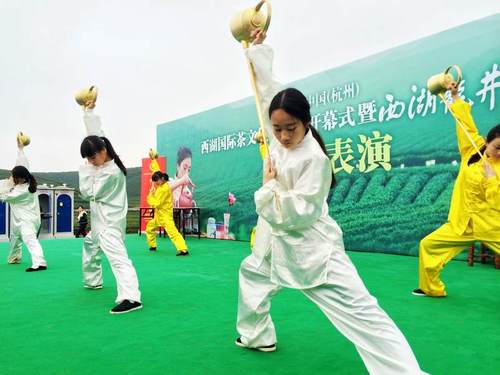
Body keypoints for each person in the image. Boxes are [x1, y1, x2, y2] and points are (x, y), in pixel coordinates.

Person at [235, 29, 427, 375]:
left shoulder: (315, 160)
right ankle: (256, 335)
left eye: (289, 128)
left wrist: (266, 189)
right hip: (273, 238)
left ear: (307, 122)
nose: (281, 136)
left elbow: (296, 213)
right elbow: (266, 92)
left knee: (363, 313)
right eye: (275, 129)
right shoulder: (280, 133)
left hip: (311, 249)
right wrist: (258, 48)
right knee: (252, 273)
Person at [413, 82, 500, 297]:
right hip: (462, 223)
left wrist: (492, 180)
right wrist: (454, 95)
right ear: (487, 142)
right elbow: (464, 124)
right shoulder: (472, 150)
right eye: (498, 147)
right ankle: (431, 288)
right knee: (428, 245)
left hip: (492, 224)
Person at [78, 99, 142, 314]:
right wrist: (89, 110)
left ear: (103, 151)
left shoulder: (111, 173)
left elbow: (88, 192)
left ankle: (131, 297)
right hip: (99, 224)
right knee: (89, 245)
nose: (91, 160)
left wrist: (85, 169)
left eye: (93, 156)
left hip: (108, 225)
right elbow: (96, 133)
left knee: (118, 258)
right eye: (88, 157)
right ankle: (93, 280)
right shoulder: (103, 158)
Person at [0, 138, 47, 272]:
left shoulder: (22, 191)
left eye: (13, 176)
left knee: (29, 240)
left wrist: (7, 186)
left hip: (27, 220)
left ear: (19, 178)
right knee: (15, 238)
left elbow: (3, 196)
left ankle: (40, 263)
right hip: (20, 218)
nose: (11, 178)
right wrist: (20, 149)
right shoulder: (25, 182)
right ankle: (14, 257)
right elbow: (22, 163)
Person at [146, 170, 191, 256]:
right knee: (149, 228)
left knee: (173, 233)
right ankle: (152, 246)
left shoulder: (163, 189)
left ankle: (183, 249)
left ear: (161, 179)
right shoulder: (162, 187)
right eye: (154, 181)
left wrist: (150, 197)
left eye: (156, 181)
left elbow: (156, 204)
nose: (155, 183)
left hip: (165, 217)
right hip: (159, 216)